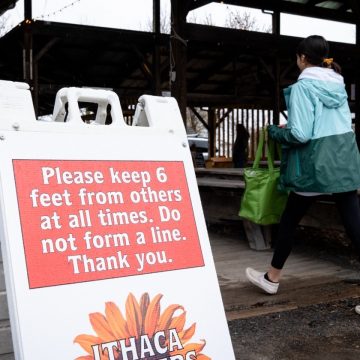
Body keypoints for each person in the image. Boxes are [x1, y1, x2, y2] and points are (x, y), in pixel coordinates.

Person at [245, 36, 360, 305]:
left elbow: (300, 135)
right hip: (343, 161)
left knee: (289, 221)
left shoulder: (302, 87)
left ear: (302, 58)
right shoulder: (338, 85)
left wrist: (275, 132)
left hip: (316, 165)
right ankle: (271, 277)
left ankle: (272, 278)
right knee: (355, 226)